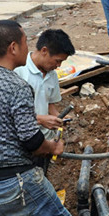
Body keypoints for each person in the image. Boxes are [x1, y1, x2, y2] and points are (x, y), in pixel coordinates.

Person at [0, 20, 73, 216]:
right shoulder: (17, 86)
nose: (29, 48)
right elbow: (32, 141)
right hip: (12, 184)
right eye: (25, 43)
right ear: (13, 48)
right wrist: (52, 146)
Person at [14, 29, 76, 175]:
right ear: (44, 51)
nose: (59, 66)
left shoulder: (52, 75)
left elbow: (49, 105)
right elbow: (9, 113)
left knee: (41, 178)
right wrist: (40, 120)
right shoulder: (19, 71)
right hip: (24, 142)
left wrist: (58, 118)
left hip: (44, 144)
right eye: (57, 60)